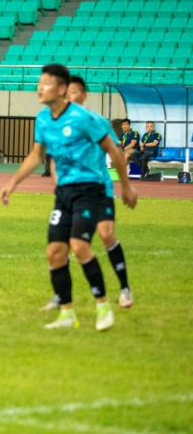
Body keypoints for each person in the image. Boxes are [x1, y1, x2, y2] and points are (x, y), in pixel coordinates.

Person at [0, 64, 136, 332]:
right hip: (64, 193)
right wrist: (13, 182)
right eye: (39, 83)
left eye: (46, 83)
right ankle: (66, 314)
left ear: (62, 89)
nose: (40, 87)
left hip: (91, 189)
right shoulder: (42, 118)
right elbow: (36, 155)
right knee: (54, 252)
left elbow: (113, 150)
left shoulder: (84, 118)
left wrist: (127, 187)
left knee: (79, 244)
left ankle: (103, 307)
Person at [40, 75, 134, 311]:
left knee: (105, 234)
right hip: (71, 193)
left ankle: (124, 288)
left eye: (73, 92)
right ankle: (61, 297)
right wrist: (59, 184)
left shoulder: (97, 121)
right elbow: (53, 159)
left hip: (100, 188)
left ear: (82, 95)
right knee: (64, 243)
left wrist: (126, 185)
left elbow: (116, 151)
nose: (68, 97)